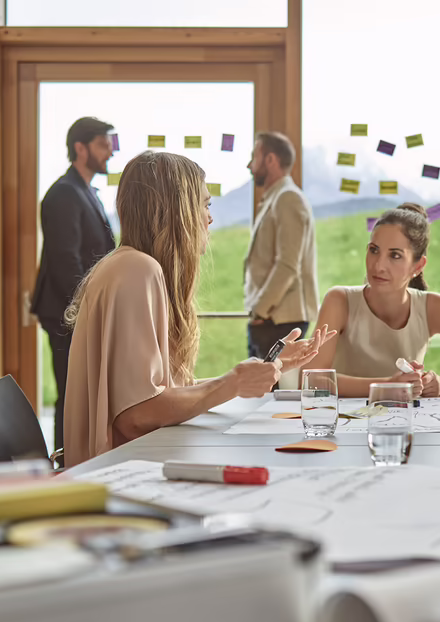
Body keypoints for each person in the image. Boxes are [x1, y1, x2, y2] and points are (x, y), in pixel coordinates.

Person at [63, 151, 333, 466]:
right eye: (204, 204)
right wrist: (232, 382)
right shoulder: (138, 270)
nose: (210, 217)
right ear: (175, 209)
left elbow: (167, 395)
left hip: (128, 464)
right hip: (120, 476)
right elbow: (136, 415)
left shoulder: (128, 265)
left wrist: (263, 369)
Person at [303, 203, 440, 398]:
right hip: (344, 425)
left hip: (406, 425)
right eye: (374, 250)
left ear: (418, 266)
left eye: (395, 255)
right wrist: (388, 386)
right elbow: (310, 379)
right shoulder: (339, 300)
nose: (378, 265)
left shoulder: (433, 307)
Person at [31, 117, 117, 457]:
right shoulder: (64, 194)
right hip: (68, 313)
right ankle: (66, 464)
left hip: (81, 310)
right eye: (102, 143)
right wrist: (87, 310)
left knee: (81, 393)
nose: (110, 150)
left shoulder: (87, 192)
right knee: (71, 394)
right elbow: (67, 262)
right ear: (80, 148)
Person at [244, 132, 319, 360]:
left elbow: (287, 265)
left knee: (272, 392)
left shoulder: (288, 198)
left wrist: (260, 310)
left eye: (254, 157)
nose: (249, 165)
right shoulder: (277, 197)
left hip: (279, 320)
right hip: (272, 319)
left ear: (270, 160)